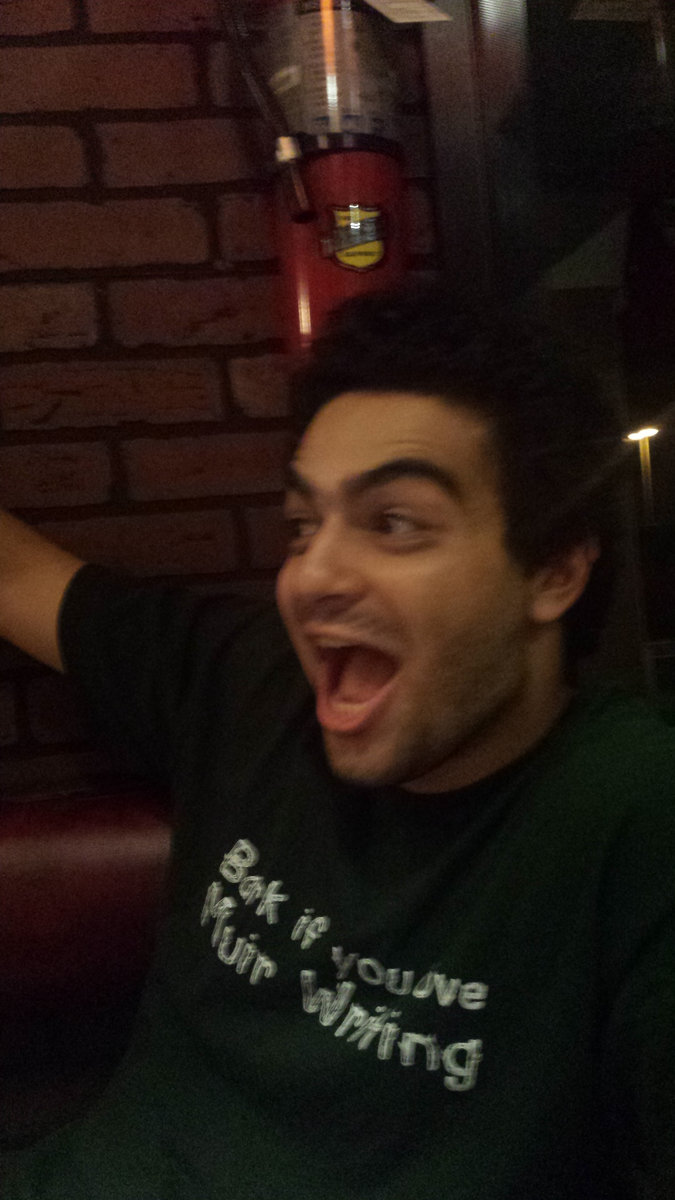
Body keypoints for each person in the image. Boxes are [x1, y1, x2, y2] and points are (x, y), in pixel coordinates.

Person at [1, 281, 674, 1200]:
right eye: (302, 524)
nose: (311, 574)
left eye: (393, 523)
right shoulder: (247, 678)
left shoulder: (632, 810)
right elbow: (18, 578)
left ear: (553, 571)